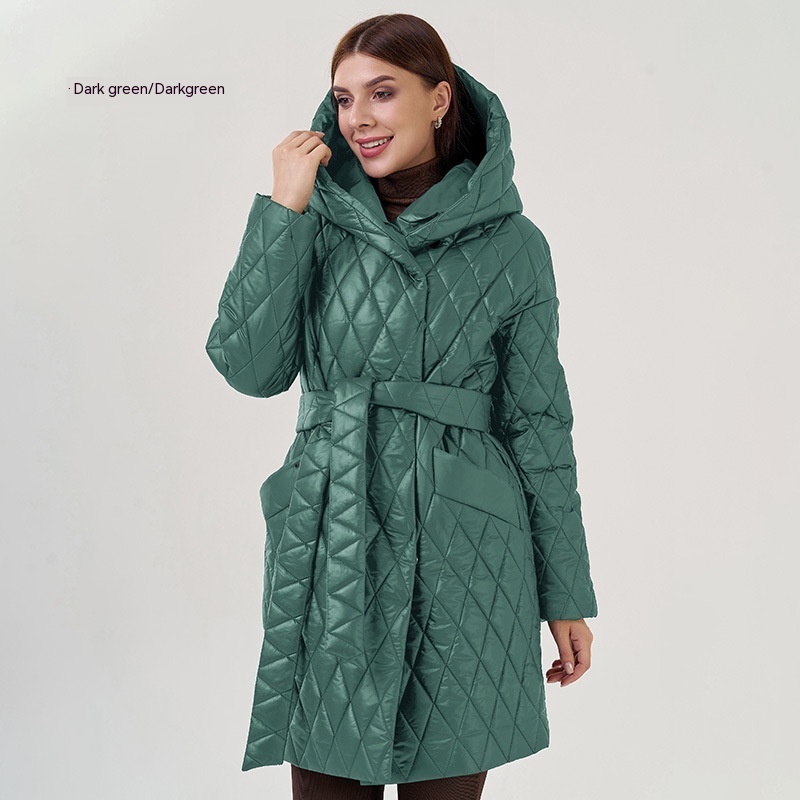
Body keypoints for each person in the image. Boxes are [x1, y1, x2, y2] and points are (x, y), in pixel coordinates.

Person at [205, 12, 598, 800]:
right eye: (344, 99)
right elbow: (250, 371)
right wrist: (282, 210)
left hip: (468, 550)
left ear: (439, 99)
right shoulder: (311, 221)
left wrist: (565, 593)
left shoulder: (515, 245)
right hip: (333, 532)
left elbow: (537, 424)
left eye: (382, 93)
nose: (360, 117)